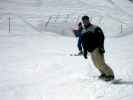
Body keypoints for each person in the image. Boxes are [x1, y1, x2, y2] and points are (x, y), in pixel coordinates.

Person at [81, 15, 115, 81]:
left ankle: (110, 75)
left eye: (86, 20)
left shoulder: (95, 28)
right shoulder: (83, 30)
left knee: (100, 63)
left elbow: (101, 38)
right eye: (83, 20)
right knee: (96, 64)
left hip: (96, 48)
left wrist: (101, 47)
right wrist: (85, 51)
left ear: (88, 20)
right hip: (90, 50)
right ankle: (103, 74)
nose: (85, 21)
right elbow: (83, 42)